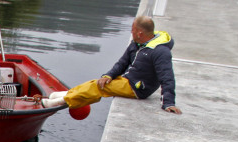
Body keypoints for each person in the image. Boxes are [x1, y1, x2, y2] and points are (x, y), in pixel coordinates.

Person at [42, 16, 182, 114]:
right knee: (98, 82)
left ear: (140, 33)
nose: (130, 32)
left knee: (100, 88)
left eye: (132, 30)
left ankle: (57, 102)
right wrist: (109, 75)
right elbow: (122, 62)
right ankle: (67, 95)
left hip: (138, 87)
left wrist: (168, 103)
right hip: (128, 79)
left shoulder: (160, 51)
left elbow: (167, 76)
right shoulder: (137, 43)